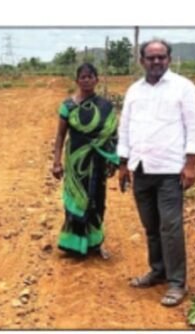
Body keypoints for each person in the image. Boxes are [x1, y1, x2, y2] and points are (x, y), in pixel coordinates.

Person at [117, 39, 195, 307]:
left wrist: (190, 165)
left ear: (169, 59)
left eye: (161, 57)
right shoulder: (134, 90)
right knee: (151, 227)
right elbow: (125, 127)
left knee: (171, 227)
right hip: (141, 168)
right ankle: (157, 271)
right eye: (151, 58)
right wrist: (123, 164)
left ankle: (177, 283)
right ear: (142, 61)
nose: (156, 62)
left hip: (169, 170)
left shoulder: (183, 88)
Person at [52, 63, 118, 259]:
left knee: (97, 200)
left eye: (90, 76)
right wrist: (56, 162)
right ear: (77, 80)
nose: (87, 80)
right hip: (75, 162)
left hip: (98, 161)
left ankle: (96, 244)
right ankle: (74, 245)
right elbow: (60, 136)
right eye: (83, 77)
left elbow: (112, 135)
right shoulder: (68, 106)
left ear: (97, 80)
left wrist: (113, 160)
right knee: (76, 201)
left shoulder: (106, 106)